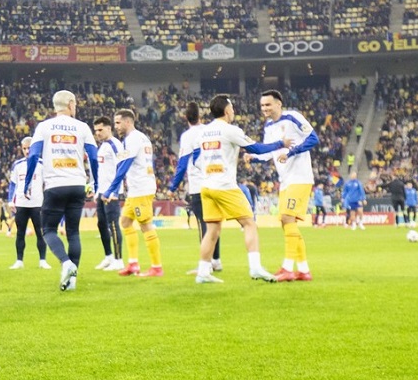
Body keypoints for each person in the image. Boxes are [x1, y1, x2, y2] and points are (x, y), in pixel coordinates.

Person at [190, 94, 284, 284]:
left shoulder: (203, 132)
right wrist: (281, 143)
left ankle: (202, 272)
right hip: (225, 186)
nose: (233, 112)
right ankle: (256, 268)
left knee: (212, 230)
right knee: (249, 223)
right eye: (232, 109)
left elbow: (195, 160)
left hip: (206, 187)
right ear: (226, 111)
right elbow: (256, 148)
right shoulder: (230, 130)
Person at [22, 90, 99, 292]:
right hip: (77, 184)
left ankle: (65, 263)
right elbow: (92, 155)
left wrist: (28, 181)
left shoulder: (44, 127)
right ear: (71, 104)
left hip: (55, 185)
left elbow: (33, 155)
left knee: (48, 230)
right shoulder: (82, 127)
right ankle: (71, 282)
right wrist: (95, 181)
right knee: (73, 231)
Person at [249, 90, 319, 282]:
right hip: (286, 180)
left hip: (300, 177)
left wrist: (290, 152)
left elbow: (313, 138)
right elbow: (266, 153)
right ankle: (304, 270)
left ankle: (287, 268)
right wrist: (253, 157)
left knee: (288, 218)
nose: (264, 108)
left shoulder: (292, 117)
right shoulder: (269, 126)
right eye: (262, 105)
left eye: (268, 105)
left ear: (279, 104)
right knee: (287, 222)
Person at [103, 108, 163, 277]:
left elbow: (124, 165)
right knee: (126, 222)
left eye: (118, 122)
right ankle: (133, 264)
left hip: (141, 189)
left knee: (145, 225)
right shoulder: (139, 138)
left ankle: (157, 267)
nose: (116, 127)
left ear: (128, 122)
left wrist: (111, 190)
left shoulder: (133, 139)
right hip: (136, 189)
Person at [168, 102, 219, 273]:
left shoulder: (188, 136)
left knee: (203, 225)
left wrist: (173, 187)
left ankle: (206, 263)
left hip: (198, 186)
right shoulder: (209, 131)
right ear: (200, 116)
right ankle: (216, 261)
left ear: (186, 118)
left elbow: (182, 164)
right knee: (214, 223)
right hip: (214, 182)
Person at [7, 137, 49, 269]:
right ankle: (19, 261)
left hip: (37, 204)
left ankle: (42, 260)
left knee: (40, 232)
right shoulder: (17, 165)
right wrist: (10, 200)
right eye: (24, 148)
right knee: (20, 233)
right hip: (21, 203)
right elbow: (13, 184)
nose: (26, 151)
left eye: (29, 148)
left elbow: (47, 183)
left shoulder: (42, 164)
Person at [91, 117, 124, 271]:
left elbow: (123, 166)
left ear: (109, 128)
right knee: (101, 224)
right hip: (102, 192)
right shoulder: (102, 146)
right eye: (96, 130)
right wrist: (97, 190)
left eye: (100, 130)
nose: (97, 133)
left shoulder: (116, 144)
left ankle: (119, 259)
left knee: (113, 225)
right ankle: (108, 256)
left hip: (112, 193)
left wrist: (115, 191)